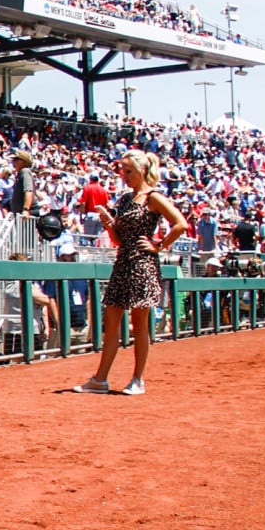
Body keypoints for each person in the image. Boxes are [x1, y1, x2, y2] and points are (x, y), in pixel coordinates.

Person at [72, 149, 189, 396]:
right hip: (123, 261)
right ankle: (100, 379)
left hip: (143, 263)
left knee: (139, 323)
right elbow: (117, 238)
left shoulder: (153, 197)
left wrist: (159, 245)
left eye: (129, 171)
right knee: (112, 320)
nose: (124, 175)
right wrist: (108, 222)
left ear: (142, 171)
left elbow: (181, 224)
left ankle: (138, 379)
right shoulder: (124, 199)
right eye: (122, 171)